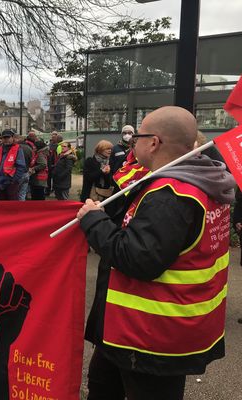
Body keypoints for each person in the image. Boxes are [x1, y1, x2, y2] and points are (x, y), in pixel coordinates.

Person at [76, 106, 235, 400]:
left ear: (154, 142)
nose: (131, 141)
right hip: (138, 329)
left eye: (137, 135)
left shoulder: (171, 194)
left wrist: (93, 221)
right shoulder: (199, 184)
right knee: (101, 385)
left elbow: (138, 258)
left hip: (150, 337)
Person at [0, 129, 26, 200]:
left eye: (8, 137)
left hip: (11, 183)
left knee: (11, 205)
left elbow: (21, 167)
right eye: (4, 138)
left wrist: (14, 180)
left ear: (12, 138)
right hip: (0, 182)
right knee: (1, 205)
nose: (6, 139)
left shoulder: (17, 149)